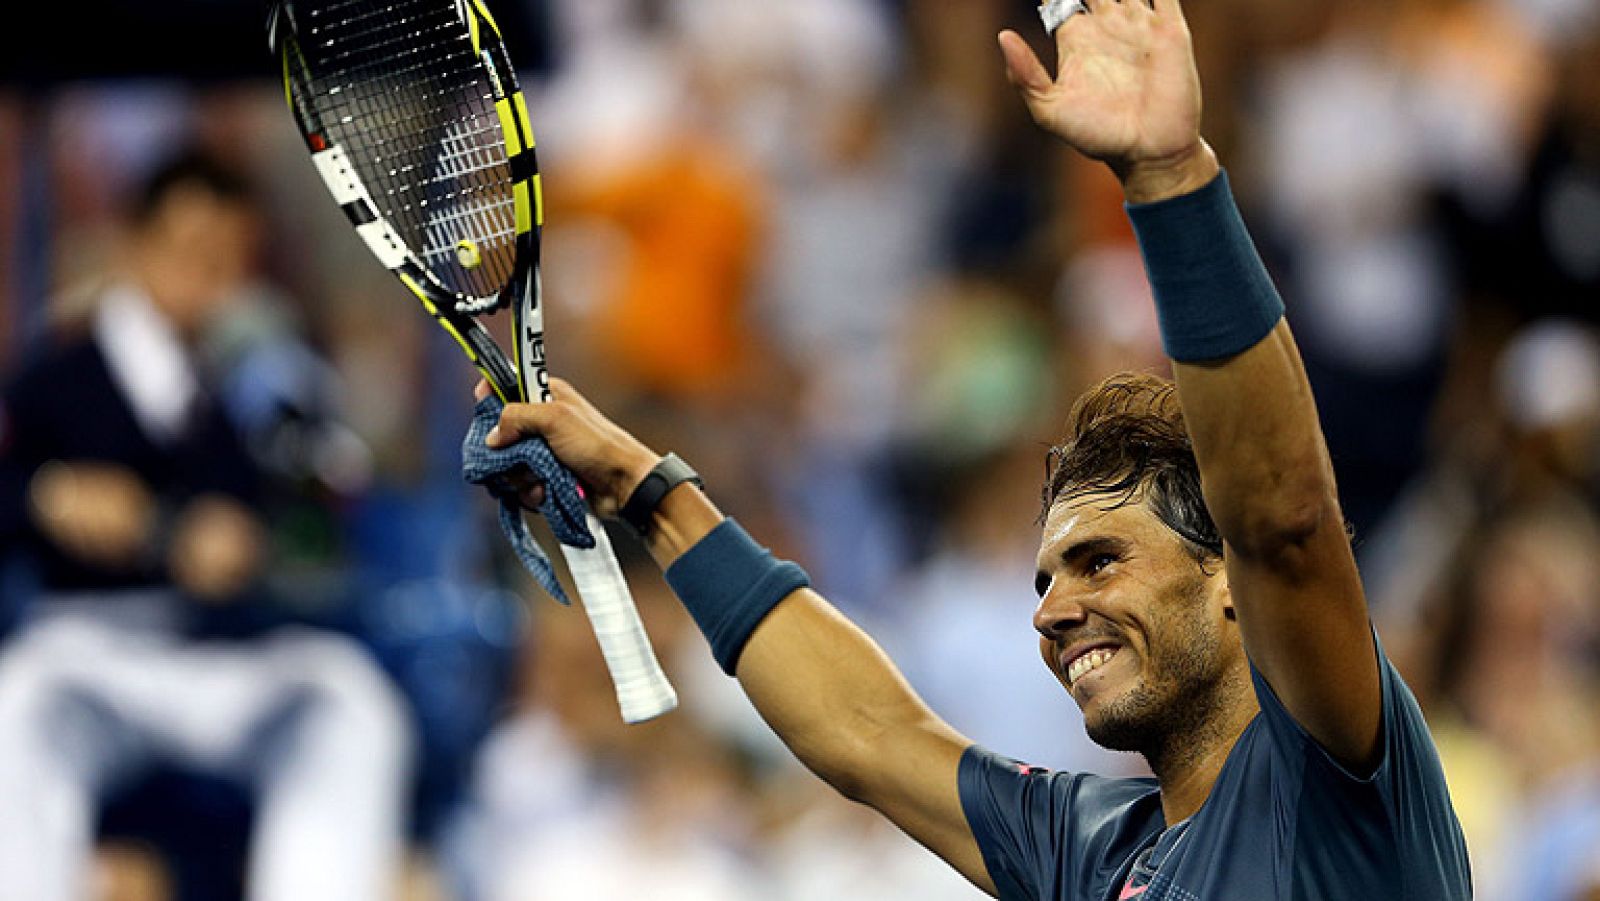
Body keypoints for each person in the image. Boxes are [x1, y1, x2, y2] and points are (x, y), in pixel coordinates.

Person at [485, 1, 1471, 897]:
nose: (1051, 609)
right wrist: (648, 489)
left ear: (1226, 582)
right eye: (1046, 574)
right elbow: (869, 732)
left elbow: (1282, 516)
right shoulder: (1096, 852)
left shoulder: (1339, 781)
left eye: (1097, 559)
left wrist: (1171, 181)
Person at [0, 151, 411, 900]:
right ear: (133, 244)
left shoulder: (263, 387)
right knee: (16, 710)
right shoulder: (53, 377)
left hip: (226, 649)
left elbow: (326, 524)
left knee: (350, 705)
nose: (210, 279)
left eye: (230, 260)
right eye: (191, 253)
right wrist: (44, 495)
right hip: (91, 647)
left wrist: (255, 546)